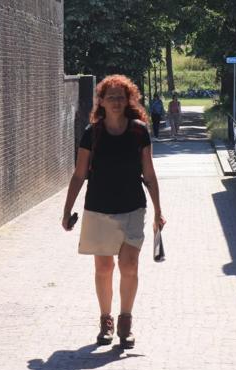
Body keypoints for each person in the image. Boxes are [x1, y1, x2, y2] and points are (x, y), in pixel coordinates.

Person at [61, 75, 166, 349]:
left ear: (128, 100)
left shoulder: (139, 131)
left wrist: (158, 211)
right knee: (104, 267)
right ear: (102, 102)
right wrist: (67, 210)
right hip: (99, 209)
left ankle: (125, 322)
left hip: (133, 207)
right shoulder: (92, 133)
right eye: (111, 97)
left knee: (129, 265)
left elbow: (149, 174)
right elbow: (79, 174)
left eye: (121, 97)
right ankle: (105, 319)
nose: (116, 102)